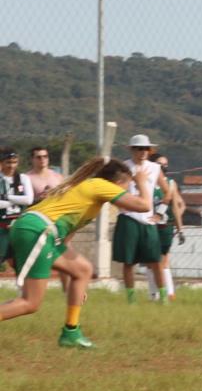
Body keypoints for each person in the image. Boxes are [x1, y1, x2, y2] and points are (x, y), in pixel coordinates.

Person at [1, 158, 152, 348]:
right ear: (117, 182)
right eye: (126, 187)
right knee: (30, 303)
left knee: (82, 270)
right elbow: (144, 206)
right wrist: (141, 182)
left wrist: (76, 286)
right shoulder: (101, 185)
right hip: (38, 231)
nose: (124, 193)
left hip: (35, 229)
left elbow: (64, 243)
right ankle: (70, 334)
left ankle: (71, 333)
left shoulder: (85, 191)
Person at [111, 134, 166, 303]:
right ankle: (131, 299)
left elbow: (167, 190)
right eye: (139, 148)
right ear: (131, 150)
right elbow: (114, 190)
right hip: (129, 217)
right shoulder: (124, 168)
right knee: (129, 262)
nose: (143, 152)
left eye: (146, 149)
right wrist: (122, 206)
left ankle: (163, 297)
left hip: (148, 219)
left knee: (156, 260)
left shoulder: (155, 168)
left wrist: (160, 213)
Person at [148, 153, 187, 302]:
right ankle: (154, 294)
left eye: (166, 164)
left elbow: (180, 205)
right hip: (150, 224)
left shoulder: (170, 183)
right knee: (151, 261)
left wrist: (177, 224)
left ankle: (168, 293)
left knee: (163, 260)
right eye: (160, 164)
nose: (164, 167)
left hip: (165, 225)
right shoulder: (148, 183)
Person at [0, 148, 31, 276]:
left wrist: (6, 197)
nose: (12, 165)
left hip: (19, 227)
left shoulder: (23, 178)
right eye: (8, 162)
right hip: (2, 228)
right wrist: (18, 200)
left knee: (20, 263)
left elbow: (28, 199)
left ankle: (25, 293)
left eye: (14, 162)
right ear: (1, 162)